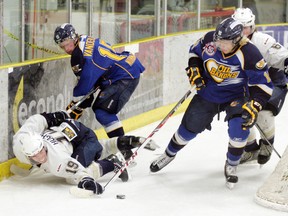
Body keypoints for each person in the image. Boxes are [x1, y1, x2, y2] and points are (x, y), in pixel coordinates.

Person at [149, 17, 273, 189]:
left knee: (240, 127)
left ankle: (232, 164)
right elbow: (194, 53)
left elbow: (264, 84)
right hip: (208, 93)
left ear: (237, 40)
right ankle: (169, 154)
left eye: (225, 42)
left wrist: (256, 104)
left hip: (236, 96)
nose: (219, 44)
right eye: (218, 40)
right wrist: (195, 69)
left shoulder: (250, 53)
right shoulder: (209, 39)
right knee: (188, 128)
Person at [53, 23, 145, 160]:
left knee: (103, 112)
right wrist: (82, 102)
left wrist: (77, 104)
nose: (66, 48)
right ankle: (124, 149)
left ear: (73, 37)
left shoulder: (78, 56)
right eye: (62, 46)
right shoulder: (84, 39)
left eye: (68, 43)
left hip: (124, 75)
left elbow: (85, 87)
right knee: (101, 109)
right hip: (126, 67)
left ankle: (125, 153)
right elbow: (94, 76)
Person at [12, 111, 147, 195]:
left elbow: (77, 171)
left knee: (71, 179)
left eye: (41, 150)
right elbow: (35, 120)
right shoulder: (21, 141)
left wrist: (86, 180)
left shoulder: (58, 158)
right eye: (35, 156)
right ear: (27, 155)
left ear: (42, 143)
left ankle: (113, 163)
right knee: (93, 149)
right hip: (68, 131)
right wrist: (53, 118)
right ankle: (123, 142)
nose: (41, 156)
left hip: (82, 136)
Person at [232, 8, 288, 165]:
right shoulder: (228, 42)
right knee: (238, 114)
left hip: (271, 83)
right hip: (245, 86)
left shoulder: (262, 41)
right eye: (239, 27)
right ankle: (250, 149)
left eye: (246, 27)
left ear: (252, 26)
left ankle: (266, 145)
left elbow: (282, 56)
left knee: (263, 113)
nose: (243, 32)